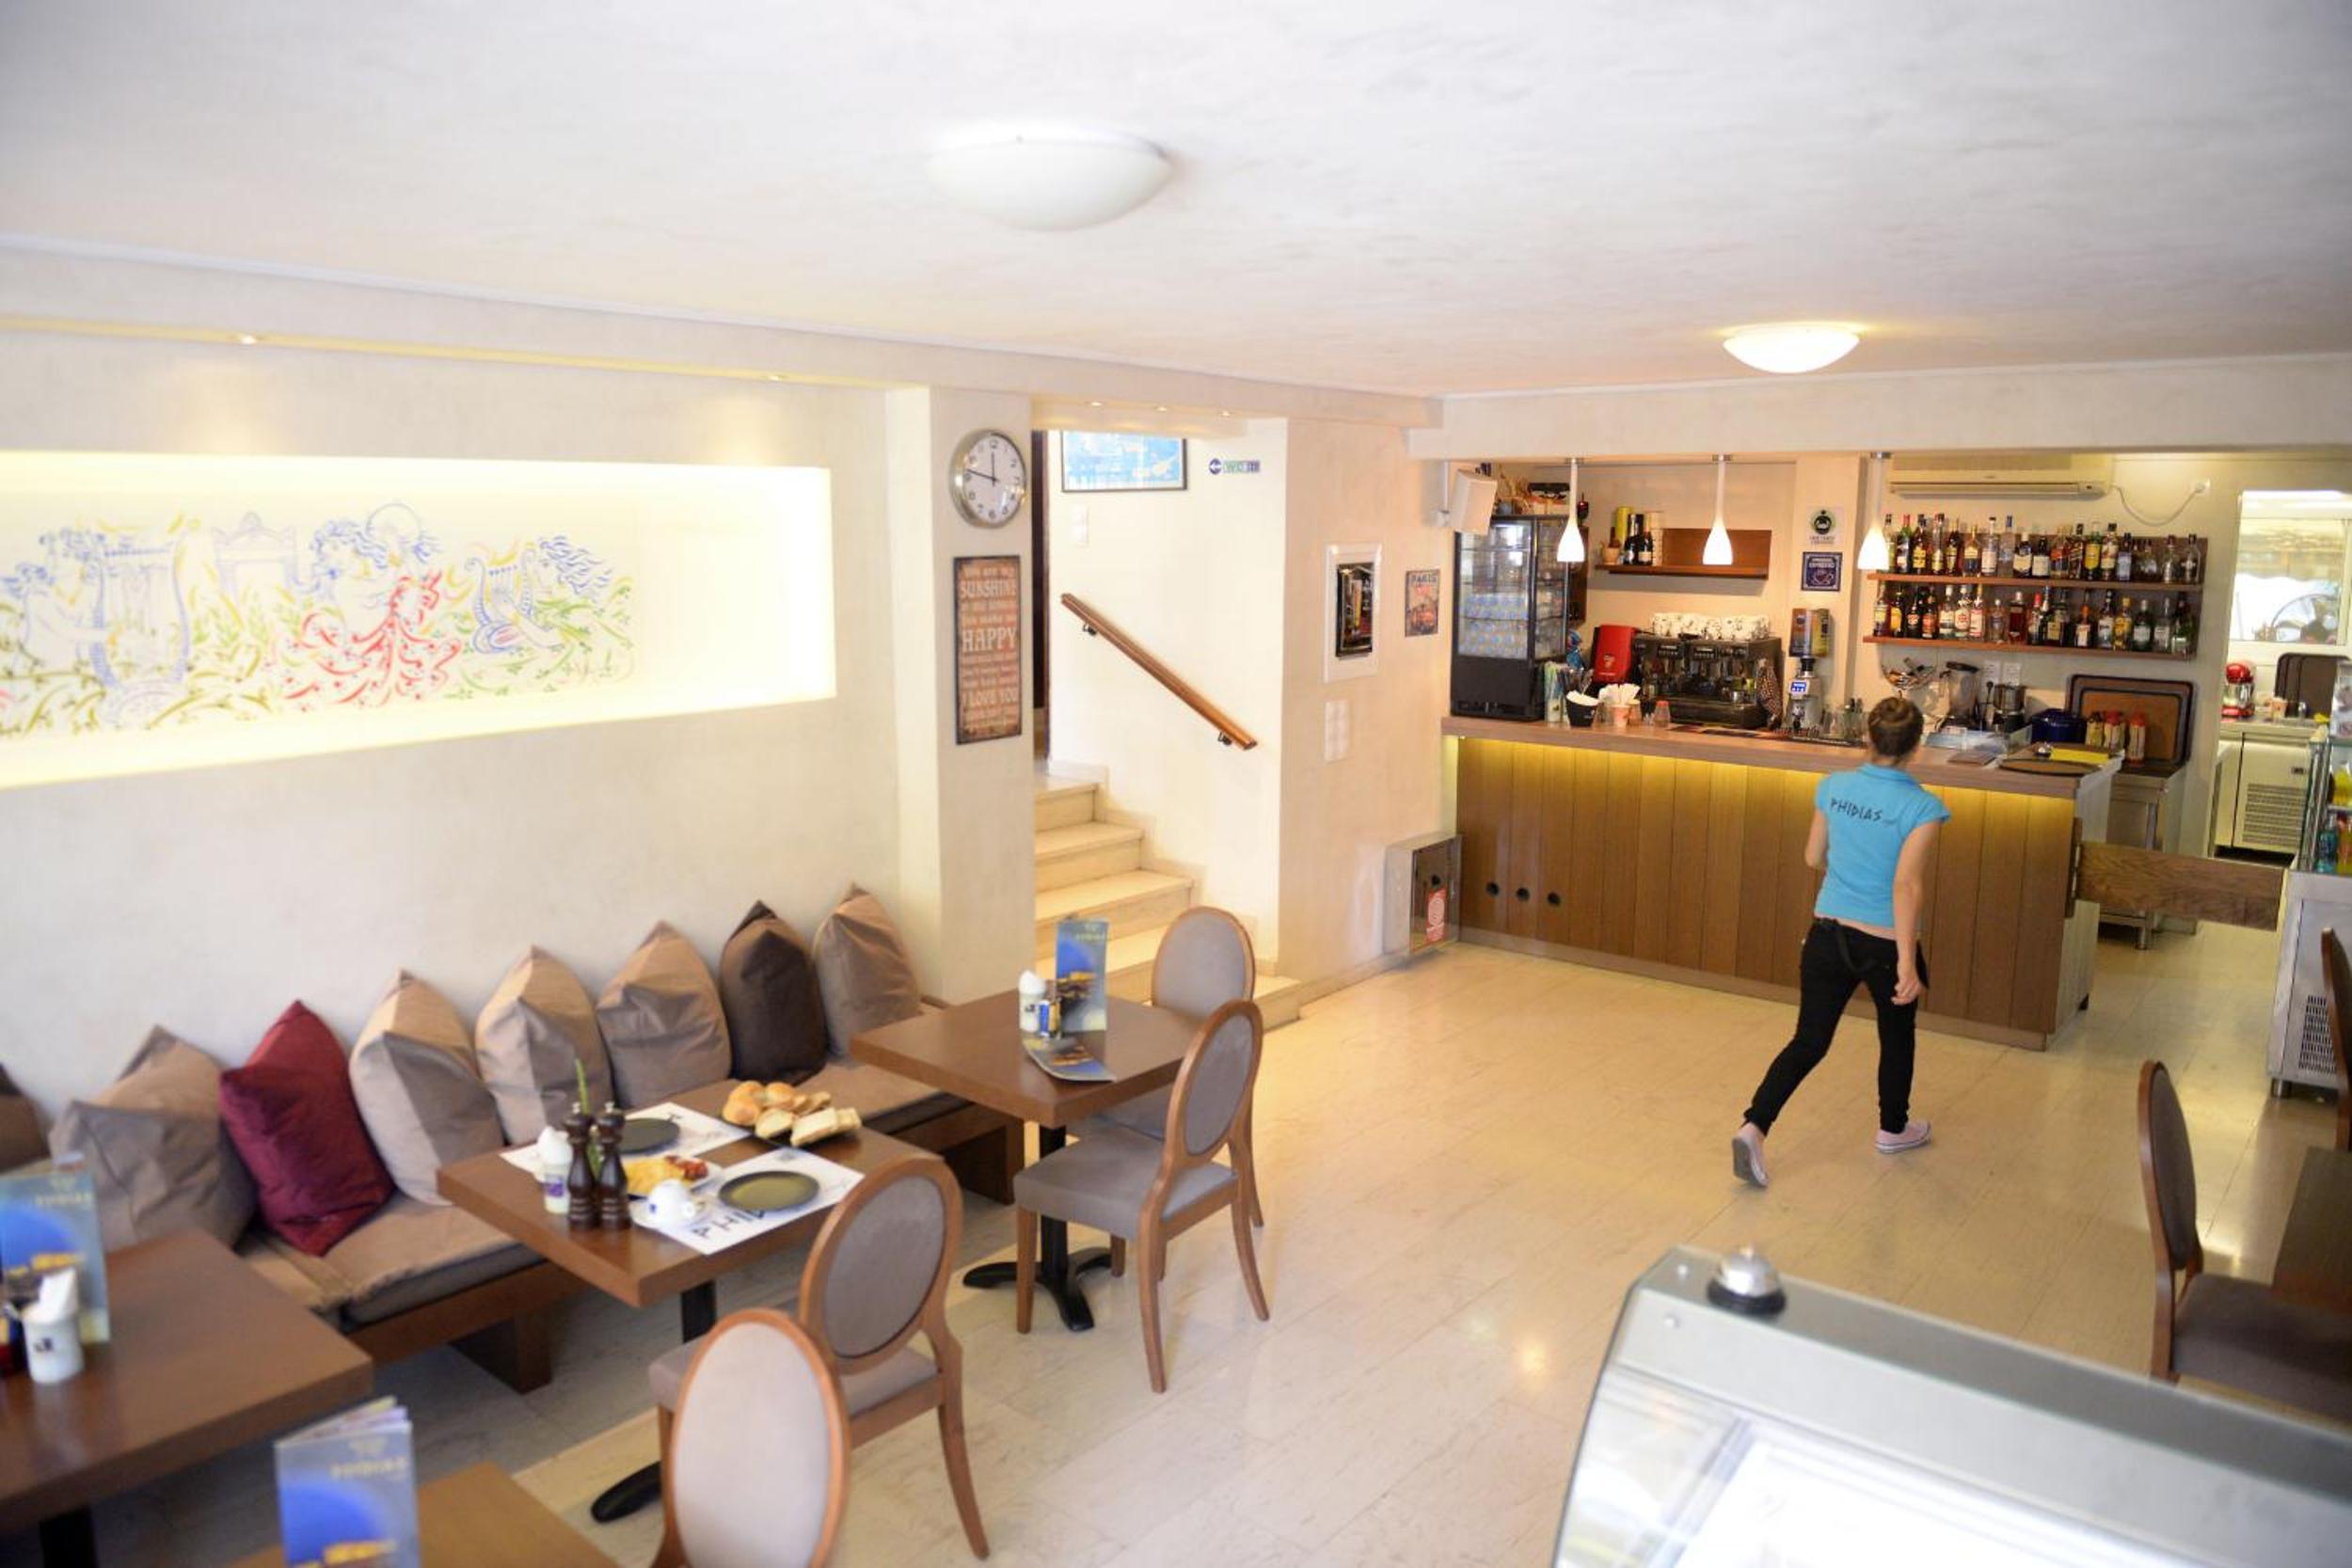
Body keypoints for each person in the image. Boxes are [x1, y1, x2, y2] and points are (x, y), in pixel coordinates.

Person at [1733, 696, 1946, 1188]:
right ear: (1916, 748)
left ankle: (1754, 1126)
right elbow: (1906, 886)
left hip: (1827, 934)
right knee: (1896, 1036)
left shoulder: (1834, 787)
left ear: (1868, 738)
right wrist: (1907, 962)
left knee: (1809, 1041)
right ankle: (1893, 1128)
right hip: (1885, 943)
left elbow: (1813, 857)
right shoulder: (1922, 807)